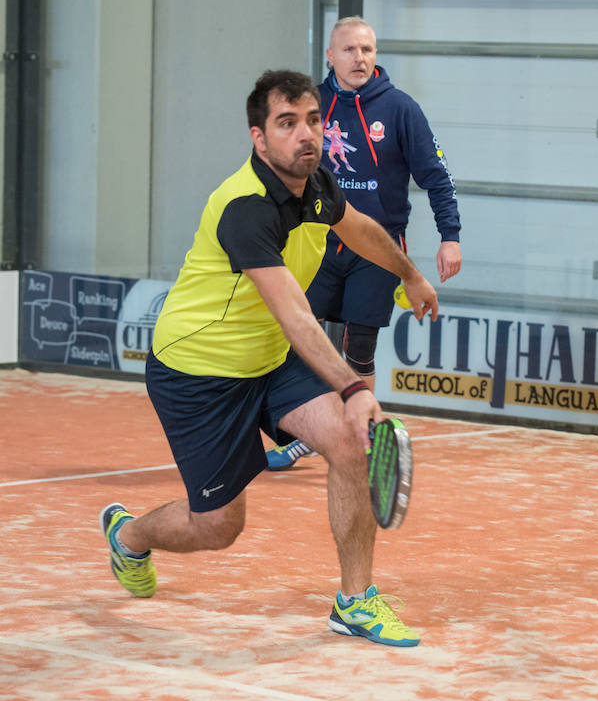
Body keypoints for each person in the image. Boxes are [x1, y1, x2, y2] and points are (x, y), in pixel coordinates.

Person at [100, 69, 438, 647]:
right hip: (198, 371)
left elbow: (358, 230)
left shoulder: (316, 185)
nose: (304, 134)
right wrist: (355, 389)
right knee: (219, 527)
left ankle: (355, 601)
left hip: (269, 357)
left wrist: (409, 273)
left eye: (312, 120)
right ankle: (129, 536)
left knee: (349, 443)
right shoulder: (245, 207)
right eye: (287, 123)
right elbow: (295, 315)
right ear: (260, 138)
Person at [266, 17, 461, 471]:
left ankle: (360, 440)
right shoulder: (310, 106)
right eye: (350, 50)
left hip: (377, 247)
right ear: (330, 56)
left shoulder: (400, 109)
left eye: (368, 50)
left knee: (359, 349)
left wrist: (450, 237)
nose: (360, 58)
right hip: (317, 243)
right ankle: (311, 432)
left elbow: (437, 177)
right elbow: (280, 166)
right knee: (300, 338)